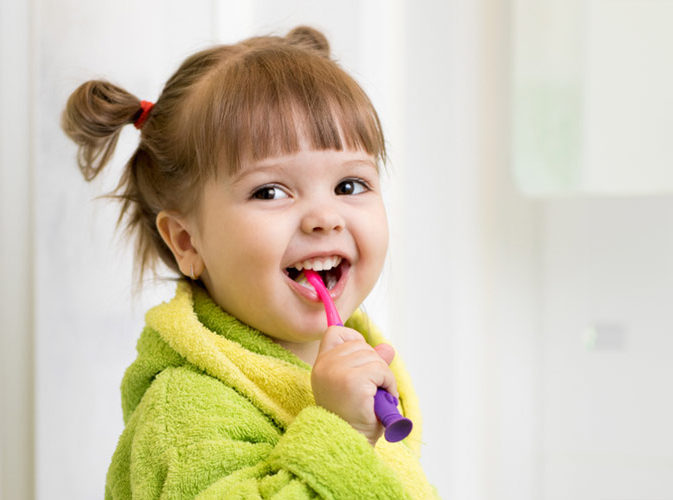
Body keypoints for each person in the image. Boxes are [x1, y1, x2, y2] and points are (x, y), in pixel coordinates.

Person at [62, 26, 439, 500]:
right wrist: (342, 433)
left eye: (349, 185)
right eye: (270, 192)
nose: (325, 218)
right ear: (187, 241)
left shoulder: (365, 364)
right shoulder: (183, 412)